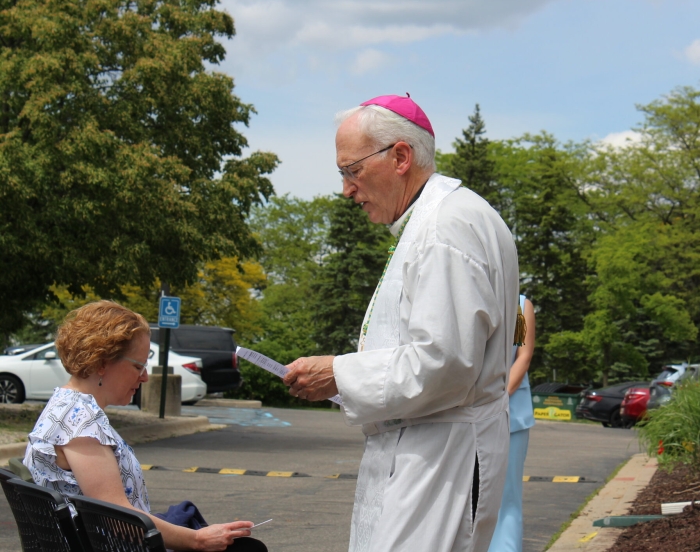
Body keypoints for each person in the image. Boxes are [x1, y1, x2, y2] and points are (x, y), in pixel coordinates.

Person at [283, 94, 520, 552]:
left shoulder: (446, 226)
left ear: (400, 157)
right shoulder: (437, 220)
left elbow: (446, 363)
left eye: (352, 171)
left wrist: (339, 373)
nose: (347, 190)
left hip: (441, 460)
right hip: (428, 450)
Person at [23, 300, 265, 552]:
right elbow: (118, 517)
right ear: (102, 362)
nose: (145, 377)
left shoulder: (64, 406)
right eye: (138, 366)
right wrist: (198, 540)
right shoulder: (79, 425)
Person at [488, 295, 535, 552]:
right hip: (463, 413)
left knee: (507, 498)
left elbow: (523, 356)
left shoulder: (519, 306)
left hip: (511, 416)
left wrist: (497, 399)